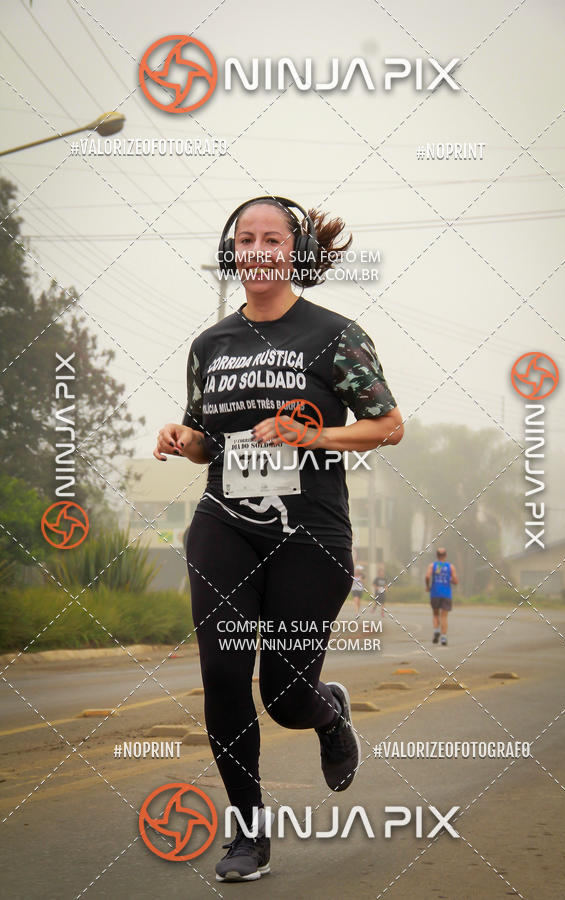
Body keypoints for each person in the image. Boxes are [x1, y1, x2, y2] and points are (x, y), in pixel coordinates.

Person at [154, 196, 404, 882]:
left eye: (272, 238)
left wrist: (313, 434)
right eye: (245, 238)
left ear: (293, 252)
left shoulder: (334, 334)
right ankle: (248, 834)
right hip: (225, 522)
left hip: (310, 530)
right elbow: (208, 440)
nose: (258, 248)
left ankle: (326, 713)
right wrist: (185, 439)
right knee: (223, 673)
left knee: (285, 695)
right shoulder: (211, 345)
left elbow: (387, 424)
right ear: (232, 251)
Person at [425, 547, 458, 646]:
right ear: (445, 556)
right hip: (446, 594)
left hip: (435, 593)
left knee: (435, 614)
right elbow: (456, 581)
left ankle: (436, 631)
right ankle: (443, 638)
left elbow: (427, 576)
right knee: (444, 616)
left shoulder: (432, 565)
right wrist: (449, 579)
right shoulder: (450, 567)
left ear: (437, 556)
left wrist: (428, 586)